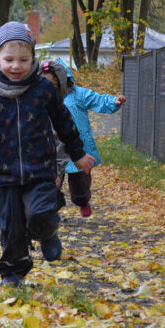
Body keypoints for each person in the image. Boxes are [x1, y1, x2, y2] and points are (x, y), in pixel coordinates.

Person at [0, 22, 95, 287]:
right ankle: (12, 273)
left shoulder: (43, 90)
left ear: (33, 58)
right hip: (4, 172)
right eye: (9, 59)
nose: (16, 66)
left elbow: (65, 123)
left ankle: (47, 233)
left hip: (40, 170)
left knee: (39, 215)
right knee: (10, 225)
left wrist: (77, 155)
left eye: (23, 59)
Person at [41, 59, 125, 217]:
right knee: (50, 183)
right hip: (52, 149)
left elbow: (97, 99)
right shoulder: (40, 99)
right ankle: (49, 210)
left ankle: (82, 200)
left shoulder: (78, 94)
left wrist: (113, 101)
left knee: (80, 185)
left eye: (55, 84)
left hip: (77, 148)